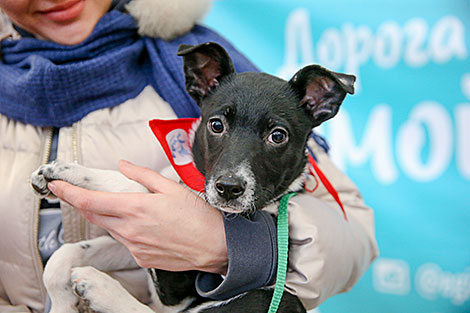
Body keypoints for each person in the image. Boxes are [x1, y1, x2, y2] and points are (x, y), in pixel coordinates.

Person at [0, 0, 379, 312]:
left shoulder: (252, 92)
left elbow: (355, 238)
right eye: (217, 127)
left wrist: (233, 245)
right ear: (201, 81)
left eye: (275, 135)